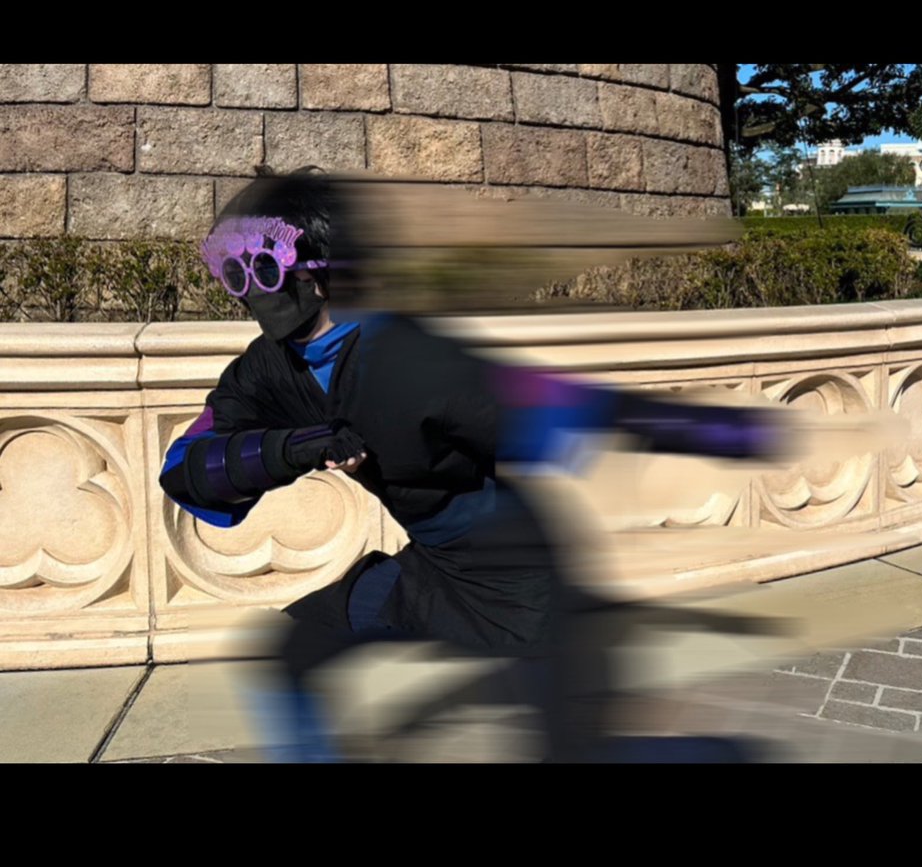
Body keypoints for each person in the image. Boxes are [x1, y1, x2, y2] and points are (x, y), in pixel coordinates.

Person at [159, 166, 801, 761]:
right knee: (295, 651)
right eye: (233, 273)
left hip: (522, 588)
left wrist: (711, 428)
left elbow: (561, 407)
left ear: (319, 269)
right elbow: (187, 465)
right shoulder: (270, 369)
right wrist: (289, 448)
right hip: (431, 572)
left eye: (260, 269)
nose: (247, 292)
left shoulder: (411, 360)